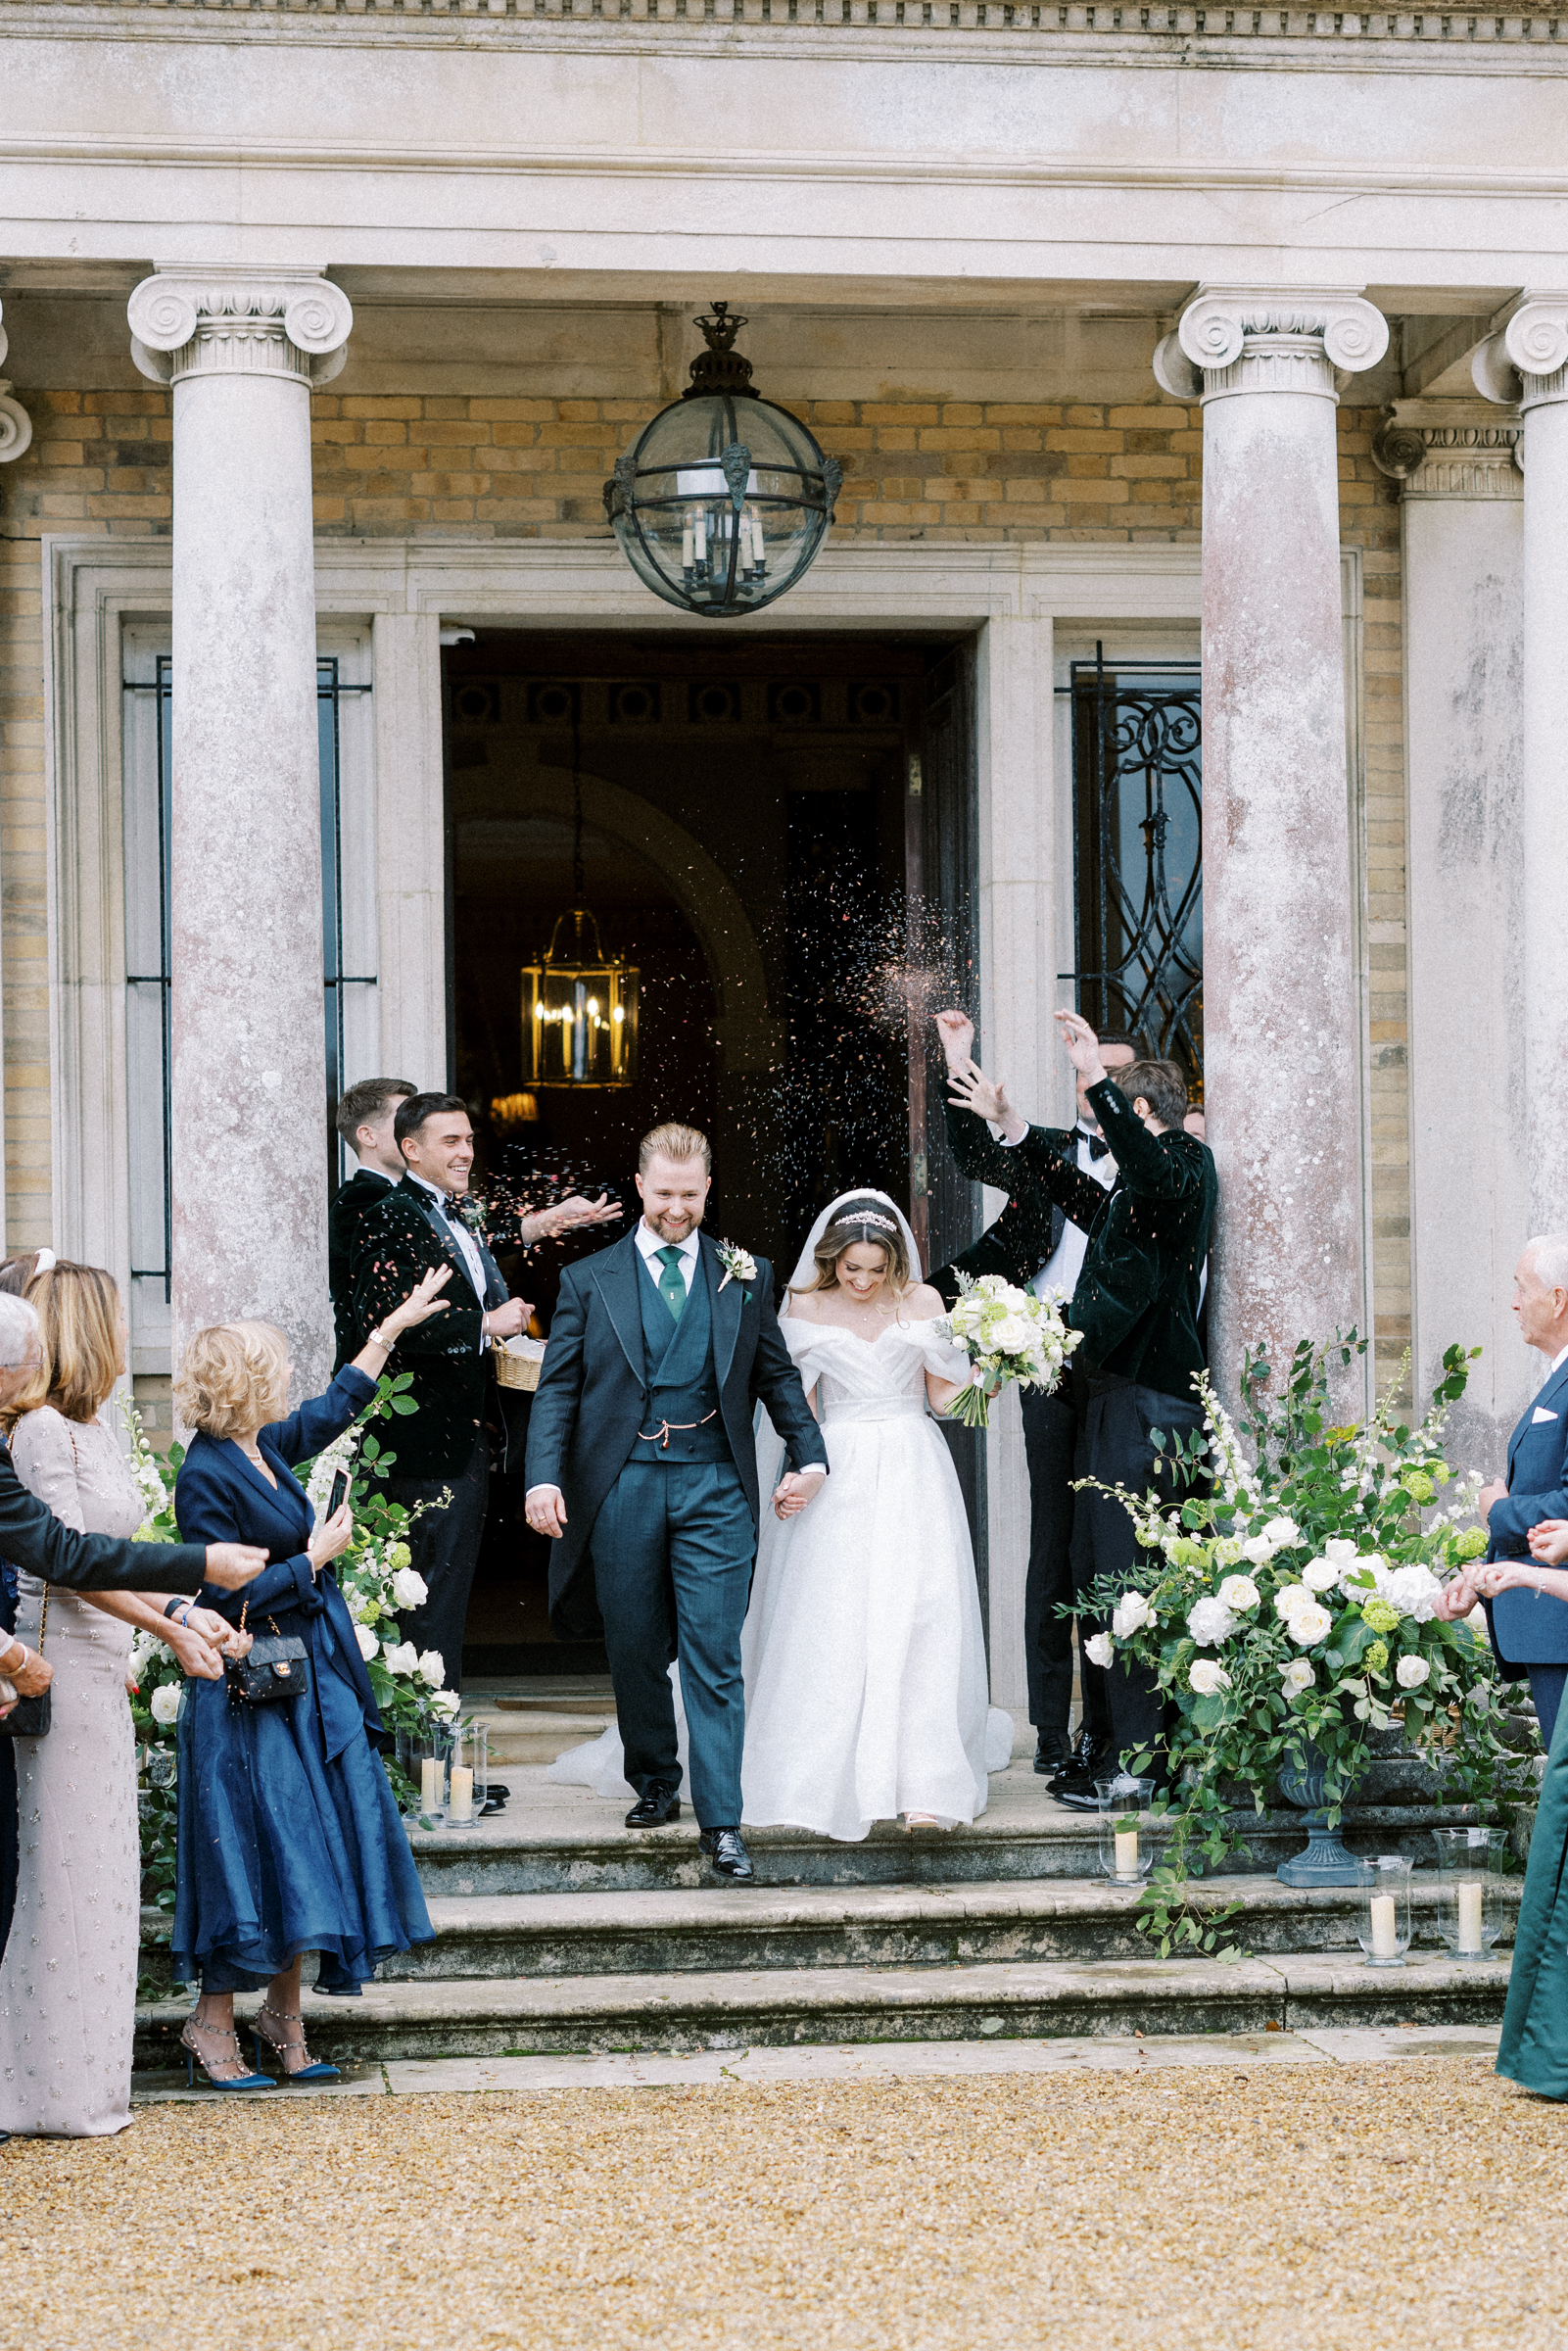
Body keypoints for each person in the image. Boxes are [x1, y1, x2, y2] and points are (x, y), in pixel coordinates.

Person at [524, 1122, 828, 1884]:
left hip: (714, 1485)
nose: (676, 1209)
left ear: (706, 1190)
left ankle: (721, 1820)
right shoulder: (588, 1280)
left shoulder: (745, 1274)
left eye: (690, 1195)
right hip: (621, 1482)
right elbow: (557, 1388)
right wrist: (542, 1476)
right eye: (663, 1194)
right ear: (639, 1188)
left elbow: (776, 1377)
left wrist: (810, 1452)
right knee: (634, 1647)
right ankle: (655, 1778)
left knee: (714, 1654)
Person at [169, 1269, 450, 2088]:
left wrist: (390, 1328)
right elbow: (220, 1594)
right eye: (278, 1367)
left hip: (307, 1681)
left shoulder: (262, 1448)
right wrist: (311, 1561)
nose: (289, 1376)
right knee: (264, 1848)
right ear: (247, 1385)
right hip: (247, 1691)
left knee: (313, 1846)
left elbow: (336, 1406)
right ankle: (210, 2025)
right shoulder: (206, 1473)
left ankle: (284, 2020)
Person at [0, 1262, 246, 2139]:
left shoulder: (92, 1429)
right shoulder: (37, 1437)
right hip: (56, 1667)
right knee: (61, 1879)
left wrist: (178, 1615)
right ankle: (39, 2090)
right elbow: (66, 1564)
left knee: (100, 1879)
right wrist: (177, 1622)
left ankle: (85, 2083)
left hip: (104, 1664)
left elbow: (118, 1553)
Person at [946, 1010, 1215, 1802]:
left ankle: (1140, 1770)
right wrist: (1014, 1124)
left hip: (1150, 1408)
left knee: (1129, 1585)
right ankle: (1113, 1756)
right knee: (1101, 1578)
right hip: (1106, 1401)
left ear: (1137, 1115)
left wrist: (1094, 1076)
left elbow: (1154, 1173)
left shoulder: (1181, 1167)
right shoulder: (1133, 1197)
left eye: (1102, 1105)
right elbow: (1069, 1189)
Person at [742, 1191, 1015, 1838]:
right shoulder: (804, 1307)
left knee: (922, 1614)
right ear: (830, 1260)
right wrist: (799, 1475)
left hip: (914, 1466)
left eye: (875, 1270)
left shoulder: (921, 1301)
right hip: (837, 1466)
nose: (862, 1283)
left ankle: (926, 1781)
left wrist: (992, 1374)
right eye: (850, 1269)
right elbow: (795, 1409)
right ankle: (825, 1775)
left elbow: (943, 1398)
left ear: (895, 1264)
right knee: (836, 1615)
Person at [930, 1009, 1144, 1793]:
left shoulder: (1162, 1167)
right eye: (1096, 1074)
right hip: (1049, 1368)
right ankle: (1051, 1730)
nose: (1103, 1087)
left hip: (1128, 1376)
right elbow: (968, 1149)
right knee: (1052, 1548)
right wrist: (958, 1058)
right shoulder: (1046, 1148)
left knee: (1111, 1550)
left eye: (1118, 1076)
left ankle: (1108, 1732)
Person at [354, 1091, 622, 1687]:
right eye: (451, 1142)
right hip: (418, 1448)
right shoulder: (387, 1214)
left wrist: (550, 1223)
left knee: (446, 1602)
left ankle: (435, 1767)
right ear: (410, 1149)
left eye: (469, 1140)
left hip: (468, 1440)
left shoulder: (458, 1210)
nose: (466, 1152)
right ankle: (423, 1766)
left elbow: (489, 1243)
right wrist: (484, 1324)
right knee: (421, 1607)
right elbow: (384, 1319)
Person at [1433, 1237, 1568, 1747]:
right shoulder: (1556, 1378)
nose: (1513, 1302)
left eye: (1521, 1287)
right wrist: (1478, 1578)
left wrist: (1500, 1511)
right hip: (1544, 1626)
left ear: (1557, 1300)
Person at [329, 1077, 416, 1371]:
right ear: (368, 1136)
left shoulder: (406, 1196)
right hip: (373, 1382)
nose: (416, 1132)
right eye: (404, 1122)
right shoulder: (358, 1201)